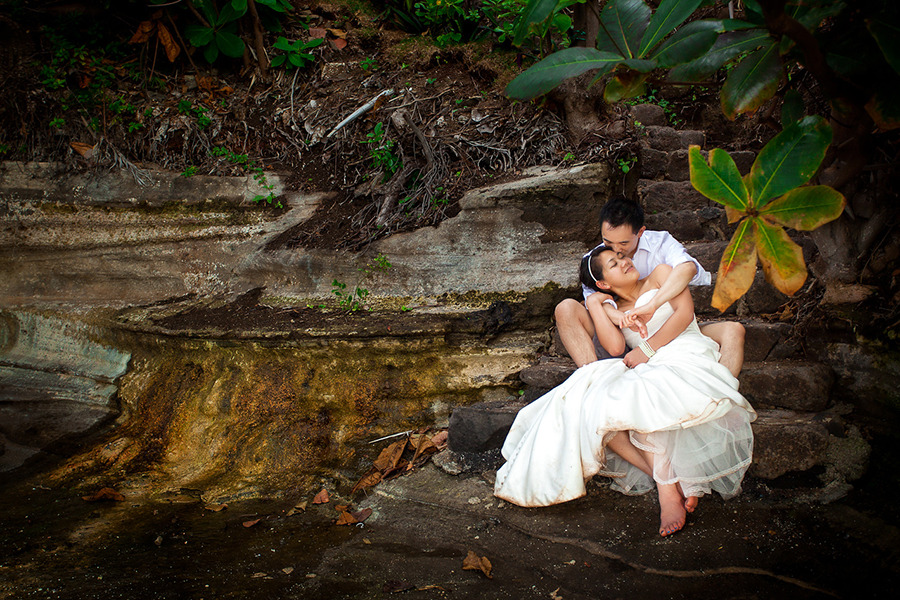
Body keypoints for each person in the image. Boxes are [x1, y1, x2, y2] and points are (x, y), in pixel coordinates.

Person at [494, 245, 756, 537]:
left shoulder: (660, 275)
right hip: (651, 366)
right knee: (609, 409)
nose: (625, 262)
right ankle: (669, 485)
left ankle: (671, 487)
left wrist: (645, 349)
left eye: (622, 257)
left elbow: (684, 314)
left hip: (684, 352)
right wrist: (595, 304)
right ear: (604, 284)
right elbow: (617, 348)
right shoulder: (613, 309)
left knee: (640, 397)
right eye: (614, 264)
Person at [554, 196, 745, 377]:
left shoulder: (660, 245)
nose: (615, 250)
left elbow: (687, 269)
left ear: (640, 232)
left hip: (673, 326)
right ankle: (592, 378)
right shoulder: (595, 261)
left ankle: (723, 390)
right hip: (626, 334)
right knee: (566, 308)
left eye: (622, 244)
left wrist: (652, 305)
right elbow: (593, 299)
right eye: (607, 242)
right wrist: (618, 315)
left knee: (732, 330)